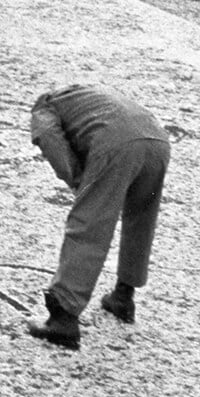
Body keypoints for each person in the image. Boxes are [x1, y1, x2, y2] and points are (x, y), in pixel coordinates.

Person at [26, 84, 170, 349]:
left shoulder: (44, 107)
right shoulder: (88, 97)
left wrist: (79, 180)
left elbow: (49, 137)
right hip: (158, 142)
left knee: (89, 223)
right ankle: (123, 297)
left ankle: (63, 317)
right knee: (141, 219)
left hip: (117, 144)